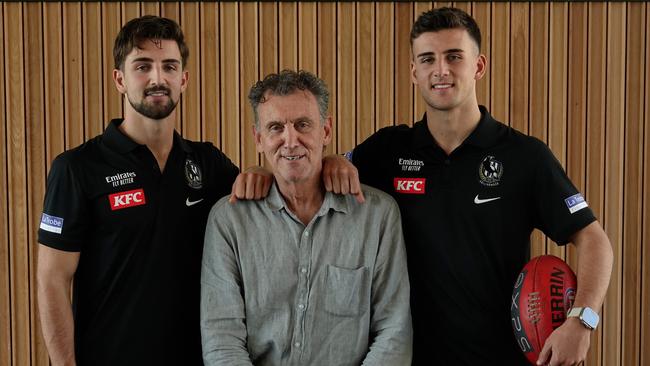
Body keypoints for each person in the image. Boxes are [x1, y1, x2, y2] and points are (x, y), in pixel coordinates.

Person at [319, 7, 613, 366]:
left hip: (502, 357)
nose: (440, 70)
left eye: (454, 56)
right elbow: (310, 179)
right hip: (409, 359)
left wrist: (581, 322)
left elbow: (594, 240)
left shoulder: (525, 156)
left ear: (479, 66)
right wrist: (329, 162)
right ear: (415, 72)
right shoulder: (388, 150)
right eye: (427, 59)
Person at [37, 16, 241, 365]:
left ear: (183, 79)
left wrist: (332, 164)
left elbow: (267, 192)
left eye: (169, 67)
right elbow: (52, 280)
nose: (157, 79)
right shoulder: (77, 168)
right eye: (142, 66)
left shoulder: (208, 163)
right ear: (120, 79)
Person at [200, 70, 413, 365]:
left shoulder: (377, 216)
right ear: (258, 138)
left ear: (325, 131)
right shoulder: (229, 221)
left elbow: (393, 332)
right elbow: (222, 340)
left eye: (303, 125)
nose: (290, 140)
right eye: (275, 127)